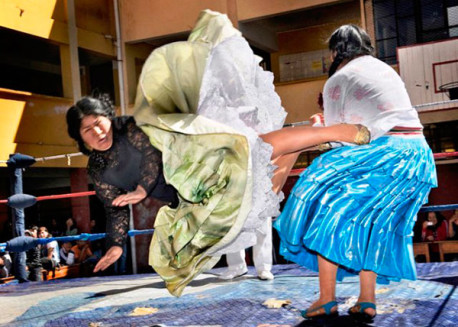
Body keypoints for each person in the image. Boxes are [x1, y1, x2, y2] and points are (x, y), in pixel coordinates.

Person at [66, 11, 366, 296]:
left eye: (98, 123)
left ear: (108, 117)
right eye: (87, 130)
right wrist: (116, 244)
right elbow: (114, 207)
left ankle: (321, 136)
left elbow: (150, 154)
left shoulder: (132, 127)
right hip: (186, 193)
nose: (97, 132)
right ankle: (314, 138)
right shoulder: (98, 168)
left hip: (199, 166)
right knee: (235, 212)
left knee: (257, 177)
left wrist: (144, 186)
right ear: (80, 138)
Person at [274, 24, 437, 323]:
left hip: (385, 153)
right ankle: (366, 301)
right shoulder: (384, 68)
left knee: (324, 207)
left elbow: (339, 139)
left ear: (335, 51)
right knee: (372, 223)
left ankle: (326, 299)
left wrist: (316, 127)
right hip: (417, 157)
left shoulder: (339, 79)